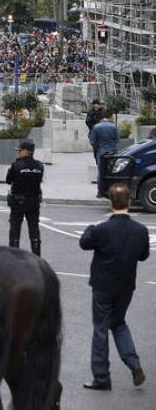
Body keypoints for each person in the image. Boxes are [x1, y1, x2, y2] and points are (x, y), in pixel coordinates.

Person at [79, 183, 148, 391]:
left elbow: (84, 243)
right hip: (126, 286)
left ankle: (101, 377)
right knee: (118, 323)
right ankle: (134, 363)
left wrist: (92, 227)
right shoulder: (140, 230)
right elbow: (143, 256)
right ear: (129, 202)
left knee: (100, 328)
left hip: (103, 285)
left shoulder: (102, 229)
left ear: (111, 202)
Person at [5, 139, 44, 256]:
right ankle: (37, 256)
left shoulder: (16, 165)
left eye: (20, 150)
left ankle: (14, 257)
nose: (18, 152)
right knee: (34, 231)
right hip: (33, 203)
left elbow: (8, 180)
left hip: (18, 203)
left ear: (26, 151)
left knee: (15, 232)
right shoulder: (39, 166)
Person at [89, 112, 119, 197]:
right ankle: (111, 191)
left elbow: (92, 141)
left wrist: (98, 147)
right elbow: (117, 140)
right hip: (112, 151)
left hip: (101, 151)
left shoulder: (96, 127)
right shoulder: (114, 127)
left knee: (101, 172)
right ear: (110, 117)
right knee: (112, 172)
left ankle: (100, 192)